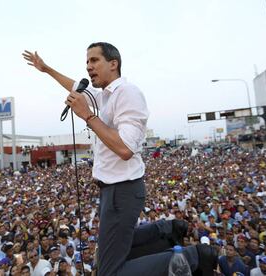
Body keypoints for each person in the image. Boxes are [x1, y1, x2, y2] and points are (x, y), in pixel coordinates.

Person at [22, 43, 215, 276]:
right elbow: (74, 85)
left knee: (109, 272)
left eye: (94, 61)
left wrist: (87, 115)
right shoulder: (102, 96)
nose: (88, 67)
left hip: (122, 190)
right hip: (111, 190)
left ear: (113, 64)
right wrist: (46, 69)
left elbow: (124, 149)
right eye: (87, 62)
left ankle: (193, 257)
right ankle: (167, 229)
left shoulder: (127, 93)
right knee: (113, 248)